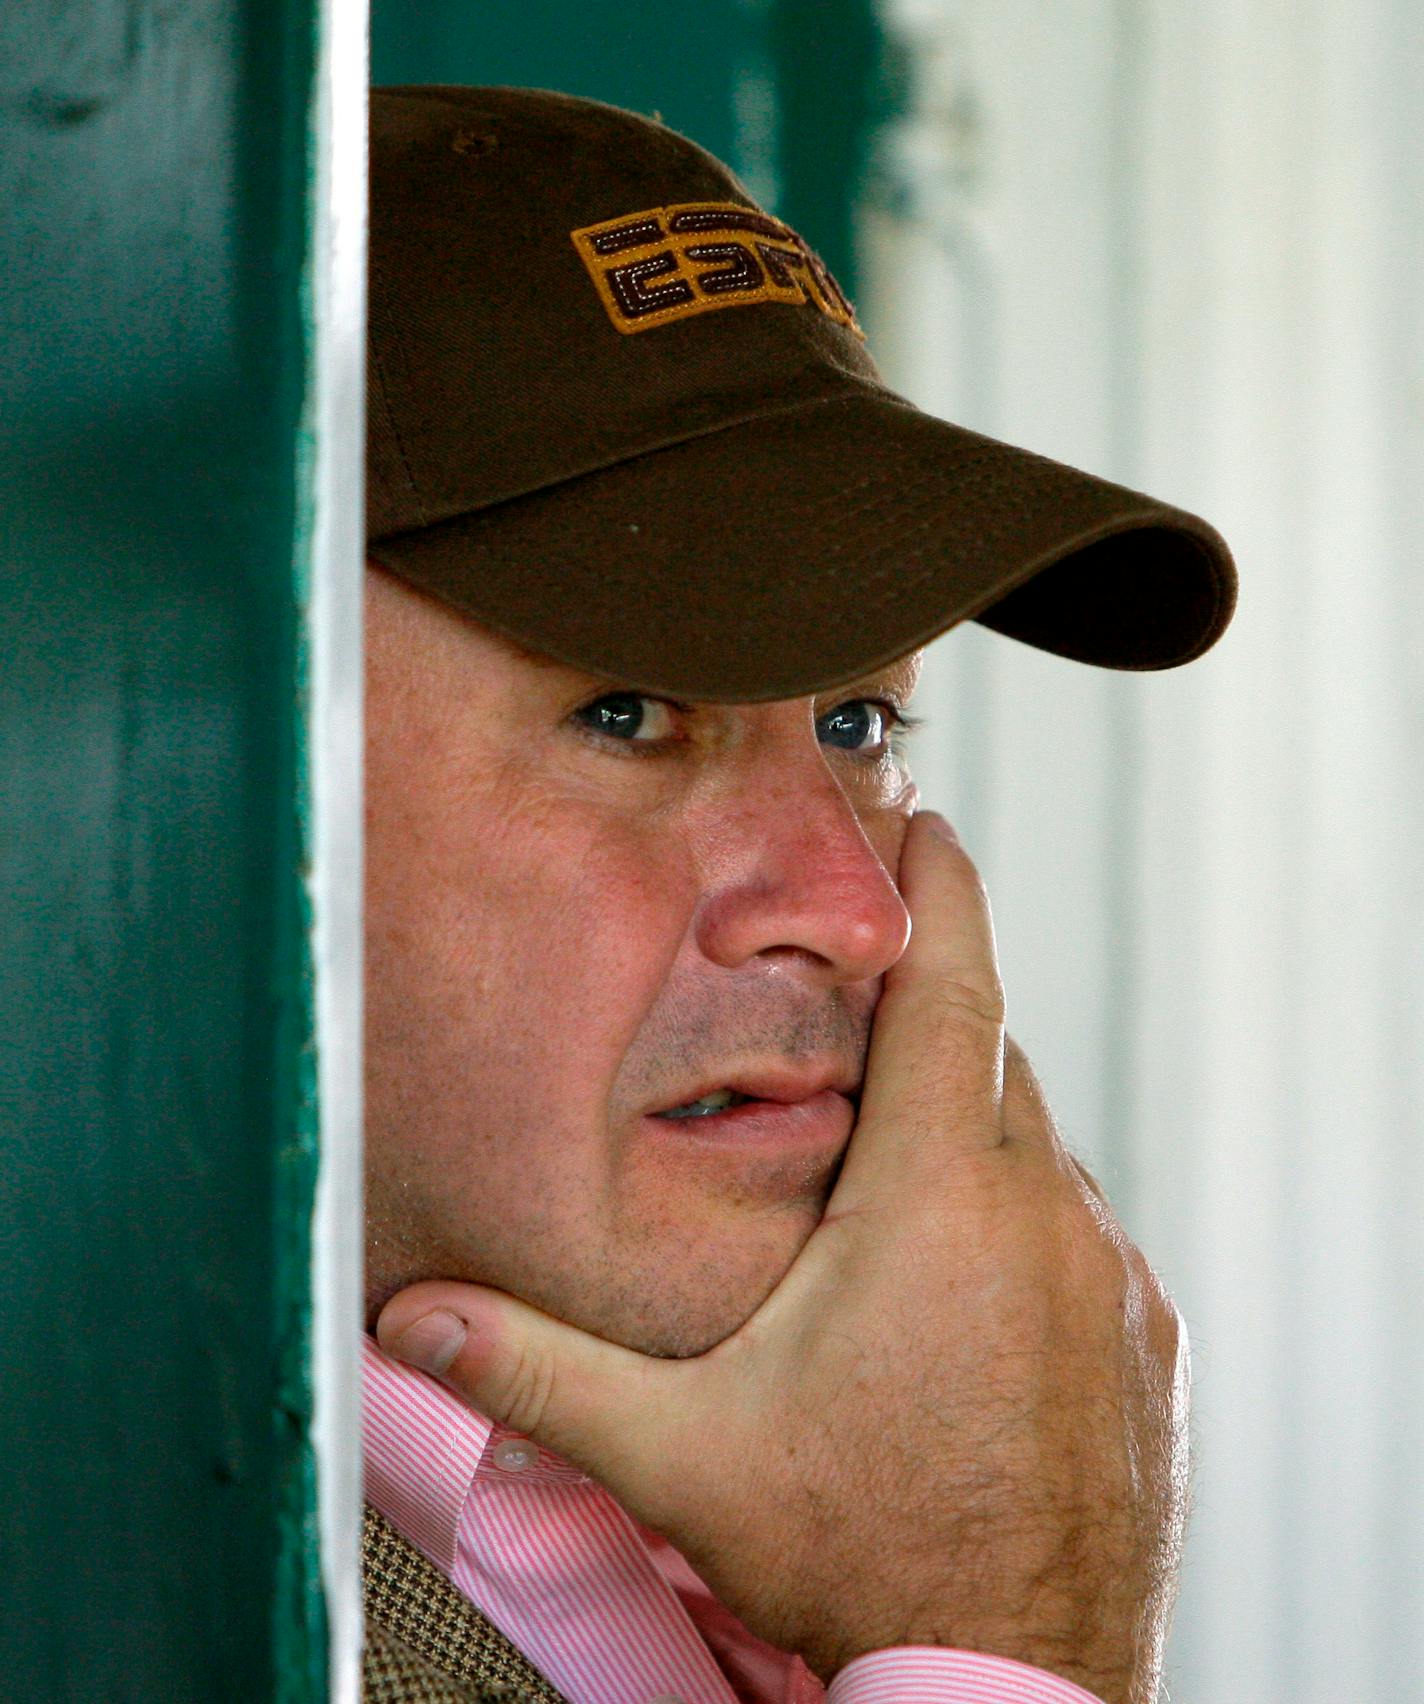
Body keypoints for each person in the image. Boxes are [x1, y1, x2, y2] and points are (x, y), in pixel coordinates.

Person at [359, 84, 1236, 1704]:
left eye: (858, 722)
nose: (856, 911)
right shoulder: (137, 1580)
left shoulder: (745, 1516)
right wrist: (1006, 1646)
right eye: (623, 712)